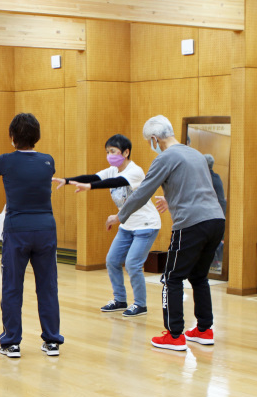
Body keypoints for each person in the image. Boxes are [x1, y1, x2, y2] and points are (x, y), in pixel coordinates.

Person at [107, 115, 225, 351]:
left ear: (154, 139)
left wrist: (120, 216)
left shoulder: (165, 157)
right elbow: (201, 190)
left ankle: (174, 335)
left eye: (149, 141)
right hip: (216, 221)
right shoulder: (195, 154)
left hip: (191, 224)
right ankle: (204, 330)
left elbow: (142, 193)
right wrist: (171, 202)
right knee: (199, 276)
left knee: (171, 278)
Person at [0, 113, 63, 358]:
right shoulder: (48, 161)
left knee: (12, 286)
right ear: (37, 136)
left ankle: (11, 343)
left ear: (12, 137)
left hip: (17, 230)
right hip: (45, 230)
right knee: (48, 286)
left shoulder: (5, 161)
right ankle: (52, 340)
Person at [53, 134, 161, 317]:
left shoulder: (135, 171)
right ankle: (120, 300)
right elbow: (94, 177)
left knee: (132, 264)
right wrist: (67, 180)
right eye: (107, 152)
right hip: (126, 225)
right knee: (112, 260)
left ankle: (140, 304)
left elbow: (116, 182)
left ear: (126, 152)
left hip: (146, 224)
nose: (109, 155)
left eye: (113, 151)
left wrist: (91, 187)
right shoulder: (112, 170)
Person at [204, 154, 226, 272]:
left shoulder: (207, 179)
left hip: (211, 214)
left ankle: (214, 263)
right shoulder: (216, 177)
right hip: (219, 212)